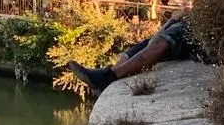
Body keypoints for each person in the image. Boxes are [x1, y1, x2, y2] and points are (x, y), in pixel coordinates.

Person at [68, 9, 198, 95]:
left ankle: (107, 77)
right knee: (146, 44)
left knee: (164, 40)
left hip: (194, 37)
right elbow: (158, 35)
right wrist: (172, 20)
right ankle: (108, 74)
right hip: (185, 29)